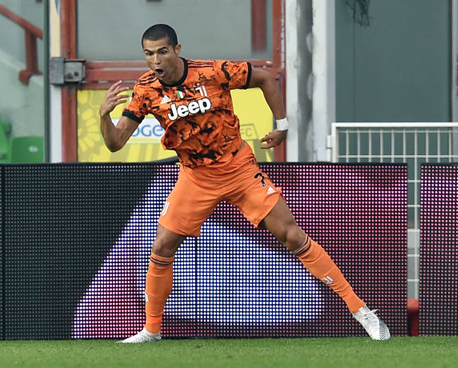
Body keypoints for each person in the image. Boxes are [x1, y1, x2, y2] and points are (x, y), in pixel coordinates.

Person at [99, 24, 391, 343]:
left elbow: (265, 77)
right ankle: (151, 331)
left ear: (177, 49)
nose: (156, 60)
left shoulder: (213, 72)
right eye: (149, 53)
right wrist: (104, 117)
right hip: (195, 177)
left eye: (162, 51)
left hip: (237, 168)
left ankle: (361, 311)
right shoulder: (146, 90)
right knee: (161, 248)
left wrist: (282, 125)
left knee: (291, 236)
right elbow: (115, 143)